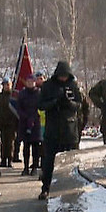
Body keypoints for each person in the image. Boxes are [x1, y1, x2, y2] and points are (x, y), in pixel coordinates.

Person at [38, 61, 83, 201]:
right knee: (49, 162)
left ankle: (69, 188)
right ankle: (46, 188)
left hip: (69, 129)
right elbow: (41, 105)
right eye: (61, 76)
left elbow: (80, 104)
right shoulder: (48, 86)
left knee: (69, 162)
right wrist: (55, 102)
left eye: (65, 76)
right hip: (53, 129)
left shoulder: (73, 85)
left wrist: (69, 103)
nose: (63, 79)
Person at [13, 75, 42, 176]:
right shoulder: (22, 93)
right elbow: (18, 108)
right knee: (26, 146)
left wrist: (34, 117)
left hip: (36, 122)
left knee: (36, 147)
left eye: (32, 81)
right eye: (28, 81)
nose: (30, 83)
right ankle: (25, 168)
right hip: (24, 123)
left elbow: (41, 107)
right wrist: (25, 117)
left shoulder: (39, 93)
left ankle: (34, 167)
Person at [0, 78, 18, 167]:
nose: (6, 86)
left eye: (8, 84)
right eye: (5, 85)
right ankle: (3, 159)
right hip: (2, 122)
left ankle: (10, 159)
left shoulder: (14, 97)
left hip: (12, 123)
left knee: (10, 143)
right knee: (3, 142)